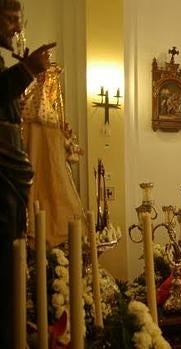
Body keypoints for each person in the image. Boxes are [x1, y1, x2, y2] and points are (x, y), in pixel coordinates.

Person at [0, 1, 55, 346]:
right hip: (3, 159)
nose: (16, 29)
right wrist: (27, 71)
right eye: (10, 19)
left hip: (9, 155)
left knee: (12, 241)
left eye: (19, 21)